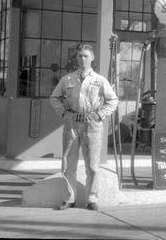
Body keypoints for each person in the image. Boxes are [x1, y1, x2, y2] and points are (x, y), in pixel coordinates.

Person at [50, 43, 118, 211]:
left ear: (92, 58)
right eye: (80, 56)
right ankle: (69, 199)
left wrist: (99, 115)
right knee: (68, 164)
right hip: (72, 123)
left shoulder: (100, 80)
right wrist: (65, 114)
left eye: (86, 56)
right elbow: (54, 98)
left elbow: (113, 100)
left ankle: (92, 199)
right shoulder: (67, 79)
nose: (82, 59)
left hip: (92, 124)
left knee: (93, 165)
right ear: (77, 58)